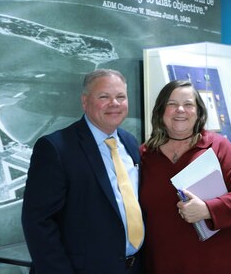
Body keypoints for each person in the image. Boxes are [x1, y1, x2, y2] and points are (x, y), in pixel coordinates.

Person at [21, 69, 143, 274]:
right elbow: (38, 223)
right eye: (104, 96)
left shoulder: (130, 143)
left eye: (120, 97)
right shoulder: (55, 148)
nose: (114, 103)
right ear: (85, 102)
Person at [139, 80, 231, 274]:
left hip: (217, 263)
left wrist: (208, 210)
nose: (180, 110)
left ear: (199, 112)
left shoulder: (218, 147)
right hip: (163, 263)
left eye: (188, 104)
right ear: (161, 111)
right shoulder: (144, 155)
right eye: (172, 104)